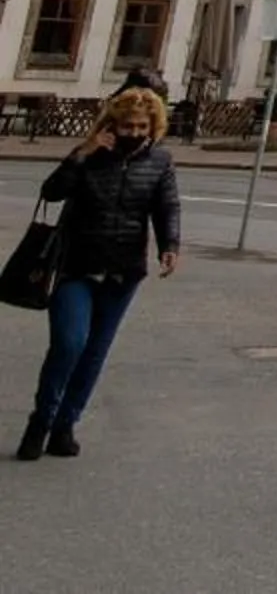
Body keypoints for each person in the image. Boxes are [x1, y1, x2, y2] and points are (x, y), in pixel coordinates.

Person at [21, 87, 180, 460]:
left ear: (153, 126)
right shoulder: (90, 154)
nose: (134, 133)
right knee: (69, 343)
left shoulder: (160, 161)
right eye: (127, 125)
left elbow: (167, 206)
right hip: (76, 265)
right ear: (112, 123)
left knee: (94, 353)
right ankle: (40, 420)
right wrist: (82, 155)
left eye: (142, 126)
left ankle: (65, 424)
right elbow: (52, 191)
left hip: (123, 270)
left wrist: (169, 245)